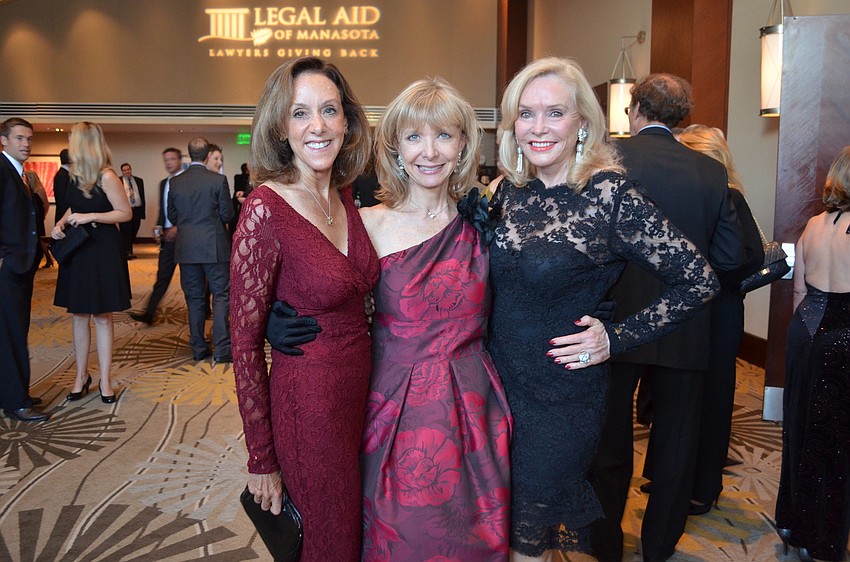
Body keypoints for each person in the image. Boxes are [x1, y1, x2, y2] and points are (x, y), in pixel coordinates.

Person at [487, 57, 719, 562]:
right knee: (496, 529)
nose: (538, 127)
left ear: (583, 123)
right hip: (494, 387)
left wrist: (616, 337)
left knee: (528, 537)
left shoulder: (609, 195)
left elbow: (699, 280)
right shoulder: (507, 192)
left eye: (554, 113)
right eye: (526, 114)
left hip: (560, 396)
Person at [590, 73, 746, 562]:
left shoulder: (606, 159)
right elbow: (729, 256)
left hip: (614, 324)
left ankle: (606, 542)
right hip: (686, 323)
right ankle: (658, 548)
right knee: (677, 442)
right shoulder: (710, 173)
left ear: (634, 110)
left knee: (610, 441)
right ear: (682, 119)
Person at [354, 78, 511, 560]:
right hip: (394, 405)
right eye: (414, 136)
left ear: (464, 144)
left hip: (474, 405)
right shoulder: (365, 223)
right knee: (403, 536)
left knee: (477, 540)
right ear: (395, 146)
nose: (429, 151)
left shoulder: (487, 221)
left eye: (444, 135)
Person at [230, 57, 378, 562]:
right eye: (300, 113)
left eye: (329, 110)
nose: (317, 125)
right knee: (328, 545)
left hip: (361, 398)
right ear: (280, 125)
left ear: (347, 122)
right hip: (308, 408)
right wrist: (261, 459)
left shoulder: (346, 197)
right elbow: (244, 344)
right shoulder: (264, 209)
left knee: (355, 535)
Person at [675, 124, 764, 514]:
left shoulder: (731, 196)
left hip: (721, 312)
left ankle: (705, 487)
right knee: (682, 398)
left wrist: (703, 275)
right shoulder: (696, 197)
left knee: (712, 400)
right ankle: (677, 480)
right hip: (694, 311)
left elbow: (753, 257)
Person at [776, 146, 850, 562]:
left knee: (800, 430)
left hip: (804, 333)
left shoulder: (813, 224)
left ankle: (793, 522)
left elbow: (800, 291)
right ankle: (824, 541)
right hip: (843, 339)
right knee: (836, 444)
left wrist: (805, 341)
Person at [52, 121, 131, 404]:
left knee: (101, 315)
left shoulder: (108, 176)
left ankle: (105, 379)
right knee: (78, 315)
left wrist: (91, 217)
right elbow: (74, 206)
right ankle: (80, 376)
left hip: (102, 250)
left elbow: (125, 213)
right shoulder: (73, 175)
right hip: (80, 249)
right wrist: (60, 223)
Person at [0, 117, 50, 422]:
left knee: (14, 331)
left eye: (29, 139)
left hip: (21, 265)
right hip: (8, 266)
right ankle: (16, 400)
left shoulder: (19, 174)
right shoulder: (2, 170)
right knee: (12, 334)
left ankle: (14, 390)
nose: (26, 144)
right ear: (4, 140)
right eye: (19, 138)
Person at [167, 137, 233, 362]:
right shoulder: (218, 180)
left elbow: (171, 216)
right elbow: (227, 215)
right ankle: (223, 349)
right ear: (207, 156)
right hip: (215, 248)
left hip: (187, 249)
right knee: (222, 297)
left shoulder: (175, 182)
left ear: (189, 155)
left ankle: (198, 348)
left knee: (194, 299)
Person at [128, 147, 182, 325]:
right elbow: (163, 210)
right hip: (167, 239)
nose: (168, 163)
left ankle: (204, 311)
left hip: (186, 239)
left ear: (179, 160)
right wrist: (159, 225)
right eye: (166, 159)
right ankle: (149, 313)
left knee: (193, 280)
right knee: (162, 278)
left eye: (172, 159)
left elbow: (191, 211)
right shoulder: (163, 183)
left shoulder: (186, 181)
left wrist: (177, 227)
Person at [118, 162, 145, 259]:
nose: (127, 171)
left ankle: (129, 251)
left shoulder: (139, 180)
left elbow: (142, 196)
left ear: (131, 169)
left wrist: (142, 212)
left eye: (128, 169)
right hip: (125, 210)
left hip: (137, 210)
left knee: (134, 230)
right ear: (122, 171)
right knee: (126, 232)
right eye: (124, 170)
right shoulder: (118, 181)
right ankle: (127, 252)